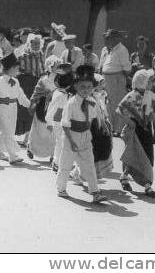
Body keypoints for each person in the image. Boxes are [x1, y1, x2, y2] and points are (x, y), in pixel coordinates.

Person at [55, 65, 108, 203]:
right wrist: (71, 141)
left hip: (85, 136)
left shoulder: (92, 102)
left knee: (89, 164)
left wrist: (102, 127)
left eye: (89, 87)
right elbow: (65, 123)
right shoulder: (71, 103)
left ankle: (95, 192)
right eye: (82, 87)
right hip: (71, 136)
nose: (86, 90)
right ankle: (61, 188)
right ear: (76, 87)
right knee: (66, 164)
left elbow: (96, 117)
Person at [116, 69, 155, 198]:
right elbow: (119, 110)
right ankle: (141, 184)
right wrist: (129, 122)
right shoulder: (133, 95)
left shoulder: (148, 95)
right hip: (135, 130)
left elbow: (151, 113)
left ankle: (143, 183)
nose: (151, 83)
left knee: (147, 157)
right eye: (149, 81)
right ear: (142, 82)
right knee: (135, 156)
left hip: (146, 130)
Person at [0, 53, 30, 164]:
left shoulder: (16, 81)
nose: (18, 71)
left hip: (14, 108)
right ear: (9, 69)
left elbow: (21, 95)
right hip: (3, 108)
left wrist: (29, 104)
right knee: (8, 132)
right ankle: (13, 155)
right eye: (16, 69)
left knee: (7, 131)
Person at [26, 56, 60, 161]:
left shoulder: (61, 79)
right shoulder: (43, 80)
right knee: (38, 129)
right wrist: (32, 103)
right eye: (56, 65)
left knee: (53, 130)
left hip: (55, 107)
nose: (58, 67)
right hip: (42, 107)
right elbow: (36, 93)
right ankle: (31, 148)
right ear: (50, 66)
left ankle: (52, 153)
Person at [99, 29, 131, 135]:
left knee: (118, 104)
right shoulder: (112, 49)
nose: (107, 40)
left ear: (116, 39)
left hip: (116, 79)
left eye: (109, 38)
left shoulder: (122, 49)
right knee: (110, 104)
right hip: (108, 79)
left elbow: (127, 68)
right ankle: (112, 128)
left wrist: (118, 77)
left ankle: (119, 128)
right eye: (106, 38)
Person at [15, 34, 45, 144]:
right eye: (34, 43)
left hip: (38, 84)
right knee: (26, 109)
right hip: (26, 84)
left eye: (38, 43)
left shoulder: (42, 55)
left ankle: (30, 138)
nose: (36, 45)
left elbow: (44, 70)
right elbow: (17, 70)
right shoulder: (23, 55)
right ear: (29, 44)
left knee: (36, 110)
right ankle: (25, 137)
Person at [46, 64, 74, 172]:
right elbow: (51, 108)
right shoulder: (59, 94)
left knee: (63, 142)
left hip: (67, 119)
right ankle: (57, 162)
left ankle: (59, 161)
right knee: (60, 142)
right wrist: (49, 122)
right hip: (58, 120)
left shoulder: (69, 93)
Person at [91, 74, 113, 178]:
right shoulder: (93, 97)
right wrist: (104, 125)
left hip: (103, 122)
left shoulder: (101, 95)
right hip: (97, 125)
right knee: (96, 149)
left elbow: (104, 110)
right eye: (100, 83)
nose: (102, 85)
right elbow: (98, 113)